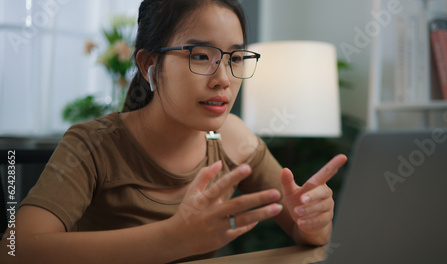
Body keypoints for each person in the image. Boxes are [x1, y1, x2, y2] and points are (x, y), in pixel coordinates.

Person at [0, 0, 347, 263]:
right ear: (150, 65)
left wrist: (313, 223)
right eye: (200, 56)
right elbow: (15, 249)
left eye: (235, 58)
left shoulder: (235, 139)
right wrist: (172, 238)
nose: (223, 78)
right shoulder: (93, 144)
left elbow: (307, 234)